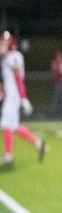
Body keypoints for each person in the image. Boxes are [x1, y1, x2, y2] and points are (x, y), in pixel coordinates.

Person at [1, 31, 46, 164]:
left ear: (10, 44)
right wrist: (2, 93)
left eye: (4, 43)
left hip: (14, 96)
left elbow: (18, 78)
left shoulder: (14, 57)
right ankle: (38, 143)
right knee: (13, 126)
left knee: (5, 123)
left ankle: (9, 155)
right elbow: (7, 81)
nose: (1, 45)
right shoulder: (6, 58)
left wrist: (23, 98)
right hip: (11, 95)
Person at [48, 49, 62, 118]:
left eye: (61, 56)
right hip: (57, 83)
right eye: (58, 56)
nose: (60, 58)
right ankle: (52, 112)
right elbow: (54, 72)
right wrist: (58, 69)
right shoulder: (54, 63)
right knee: (55, 98)